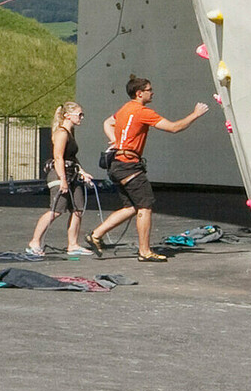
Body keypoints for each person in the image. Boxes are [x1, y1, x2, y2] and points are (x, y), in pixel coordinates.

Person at [89, 76, 208, 261]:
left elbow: (107, 123)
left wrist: (116, 141)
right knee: (145, 206)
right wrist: (195, 114)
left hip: (117, 164)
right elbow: (174, 128)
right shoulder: (142, 111)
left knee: (131, 207)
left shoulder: (124, 109)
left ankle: (95, 235)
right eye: (149, 89)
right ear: (139, 93)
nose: (152, 92)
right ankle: (144, 252)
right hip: (129, 165)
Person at [28, 101, 95, 258]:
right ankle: (34, 242)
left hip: (73, 173)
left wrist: (83, 172)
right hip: (59, 174)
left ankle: (73, 245)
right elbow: (58, 158)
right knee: (57, 210)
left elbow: (71, 157)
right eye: (79, 114)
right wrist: (63, 180)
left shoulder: (71, 133)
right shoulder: (62, 133)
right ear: (67, 116)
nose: (81, 118)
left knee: (78, 209)